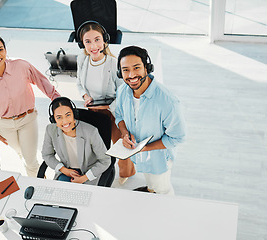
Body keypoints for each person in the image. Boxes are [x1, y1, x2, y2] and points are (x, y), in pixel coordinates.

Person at [0, 34, 60, 177]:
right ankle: (39, 177)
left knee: (30, 160)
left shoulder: (21, 65)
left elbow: (41, 80)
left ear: (5, 51)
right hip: (4, 125)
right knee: (21, 153)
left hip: (27, 119)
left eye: (1, 49)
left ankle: (41, 187)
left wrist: (57, 99)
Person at [115, 46, 186, 195]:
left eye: (136, 68)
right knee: (151, 184)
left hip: (158, 160)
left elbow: (177, 137)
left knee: (162, 190)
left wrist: (144, 148)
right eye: (126, 70)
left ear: (147, 68)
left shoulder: (167, 101)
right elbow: (119, 116)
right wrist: (124, 133)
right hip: (139, 155)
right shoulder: (122, 91)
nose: (132, 75)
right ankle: (151, 190)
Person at [75, 21, 129, 182]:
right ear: (82, 44)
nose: (94, 46)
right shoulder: (82, 59)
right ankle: (98, 170)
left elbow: (123, 92)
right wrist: (85, 96)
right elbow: (79, 83)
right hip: (93, 111)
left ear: (105, 40)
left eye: (97, 39)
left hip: (112, 111)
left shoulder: (113, 63)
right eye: (88, 41)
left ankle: (126, 172)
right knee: (97, 145)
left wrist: (107, 106)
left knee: (120, 146)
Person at [41, 97, 111, 185]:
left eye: (68, 115)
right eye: (59, 117)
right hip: (67, 171)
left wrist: (84, 178)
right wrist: (63, 170)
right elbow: (47, 155)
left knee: (83, 196)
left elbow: (105, 160)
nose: (64, 121)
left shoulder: (91, 131)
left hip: (89, 172)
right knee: (58, 194)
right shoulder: (50, 130)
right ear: (53, 119)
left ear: (74, 114)